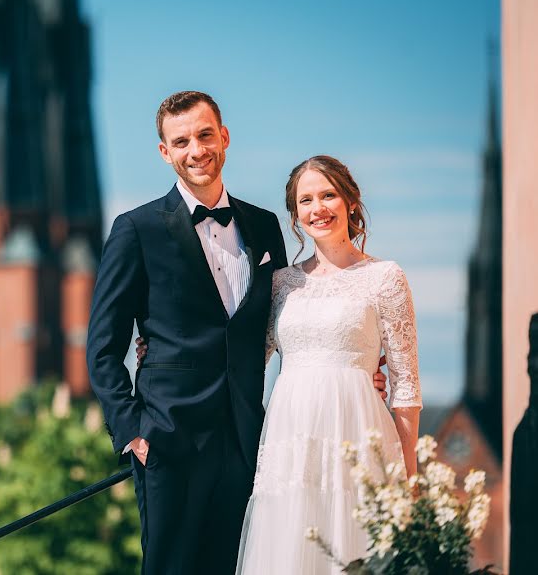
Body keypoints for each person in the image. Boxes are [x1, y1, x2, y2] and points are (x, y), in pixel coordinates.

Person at [87, 92, 386, 574]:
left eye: (205, 135)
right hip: (169, 438)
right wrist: (132, 432)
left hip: (253, 439)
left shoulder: (264, 227)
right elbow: (103, 346)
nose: (196, 149)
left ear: (223, 137)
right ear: (165, 152)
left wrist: (357, 373)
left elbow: (289, 322)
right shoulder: (135, 228)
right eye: (181, 141)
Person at [233, 155, 422, 573]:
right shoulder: (282, 284)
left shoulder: (386, 278)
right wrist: (153, 346)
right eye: (306, 200)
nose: (318, 208)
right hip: (292, 446)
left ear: (350, 202)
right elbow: (244, 359)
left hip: (359, 439)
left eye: (328, 195)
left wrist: (409, 481)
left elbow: (406, 390)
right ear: (296, 215)